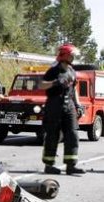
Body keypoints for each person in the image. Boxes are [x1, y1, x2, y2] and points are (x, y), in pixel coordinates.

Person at [38, 43, 85, 175]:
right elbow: (41, 85)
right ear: (65, 55)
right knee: (53, 135)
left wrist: (78, 104)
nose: (73, 57)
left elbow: (74, 88)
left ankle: (71, 165)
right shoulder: (54, 70)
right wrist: (55, 82)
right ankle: (49, 165)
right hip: (54, 104)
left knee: (73, 134)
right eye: (71, 55)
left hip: (68, 105)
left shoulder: (71, 70)